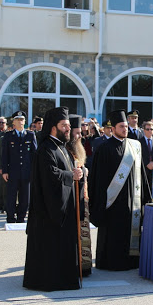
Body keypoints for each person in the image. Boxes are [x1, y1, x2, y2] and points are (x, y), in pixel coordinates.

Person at [23, 107, 83, 291]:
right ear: (53, 127)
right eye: (64, 125)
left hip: (62, 207)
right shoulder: (46, 148)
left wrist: (77, 173)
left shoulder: (61, 147)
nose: (68, 129)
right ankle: (51, 281)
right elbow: (50, 174)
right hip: (48, 211)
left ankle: (65, 278)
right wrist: (70, 175)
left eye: (68, 125)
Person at [88, 110, 150, 271]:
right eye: (121, 127)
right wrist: (101, 201)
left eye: (126, 127)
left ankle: (131, 261)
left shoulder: (134, 146)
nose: (125, 129)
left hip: (132, 198)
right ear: (113, 128)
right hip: (112, 201)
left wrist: (145, 197)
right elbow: (99, 178)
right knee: (113, 232)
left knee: (131, 230)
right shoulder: (104, 148)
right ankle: (110, 262)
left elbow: (142, 173)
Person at [66, 115, 92, 276]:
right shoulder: (65, 150)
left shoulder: (78, 149)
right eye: (76, 133)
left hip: (83, 197)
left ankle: (86, 266)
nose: (79, 136)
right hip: (72, 199)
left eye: (80, 132)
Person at [1, 111, 37, 223]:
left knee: (25, 196)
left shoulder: (30, 135)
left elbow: (34, 155)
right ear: (14, 122)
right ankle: (11, 217)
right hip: (13, 171)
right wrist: (4, 171)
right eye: (18, 120)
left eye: (22, 119)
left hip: (26, 171)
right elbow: (4, 155)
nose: (20, 122)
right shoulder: (8, 136)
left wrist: (33, 171)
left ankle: (21, 218)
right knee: (11, 195)